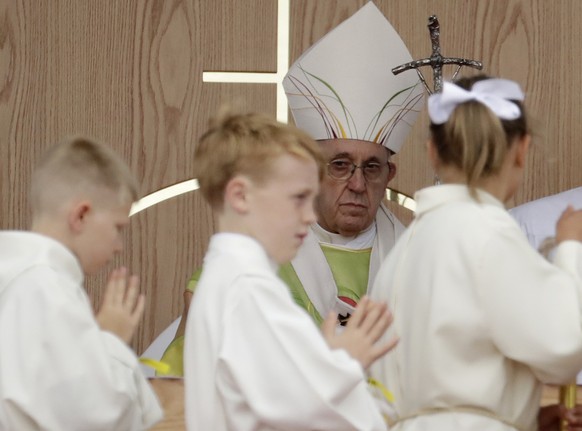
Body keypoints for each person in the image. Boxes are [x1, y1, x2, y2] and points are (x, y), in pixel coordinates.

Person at [160, 0, 423, 376]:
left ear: (390, 175)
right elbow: (193, 360)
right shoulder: (257, 249)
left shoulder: (416, 256)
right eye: (340, 165)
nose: (358, 184)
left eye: (372, 168)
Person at [369, 74, 582, 431]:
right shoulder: (490, 233)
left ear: (432, 151)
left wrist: (526, 417)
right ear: (522, 149)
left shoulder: (406, 246)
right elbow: (562, 349)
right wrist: (570, 248)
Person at [184, 110, 398, 431]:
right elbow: (294, 410)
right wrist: (344, 362)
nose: (310, 216)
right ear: (241, 196)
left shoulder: (229, 278)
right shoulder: (249, 289)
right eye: (298, 199)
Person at [0, 137, 163, 430]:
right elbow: (90, 415)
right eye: (117, 228)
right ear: (81, 215)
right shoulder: (45, 289)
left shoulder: (21, 275)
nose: (119, 246)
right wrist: (111, 341)